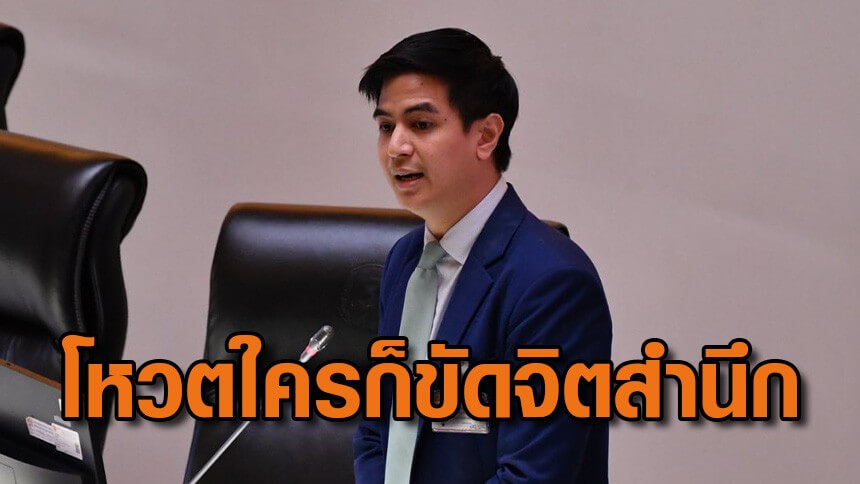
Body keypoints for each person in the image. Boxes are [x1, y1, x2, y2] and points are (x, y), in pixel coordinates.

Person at [353, 28, 612, 484]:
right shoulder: (405, 261)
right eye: (386, 126)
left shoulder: (553, 283)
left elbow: (531, 476)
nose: (396, 147)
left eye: (421, 124)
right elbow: (378, 433)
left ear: (486, 135)